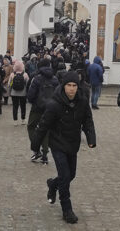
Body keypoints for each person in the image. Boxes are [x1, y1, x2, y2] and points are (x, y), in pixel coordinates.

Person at [32, 71, 96, 224]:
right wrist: (35, 144)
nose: (72, 89)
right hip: (58, 143)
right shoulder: (54, 104)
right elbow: (43, 125)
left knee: (71, 175)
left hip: (73, 143)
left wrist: (91, 138)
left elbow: (88, 120)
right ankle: (67, 209)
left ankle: (53, 184)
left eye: (74, 85)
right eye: (69, 85)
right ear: (63, 86)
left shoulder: (82, 101)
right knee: (65, 176)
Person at [27, 59, 58, 165]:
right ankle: (45, 154)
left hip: (37, 108)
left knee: (31, 127)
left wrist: (33, 102)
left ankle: (36, 149)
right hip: (50, 108)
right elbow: (58, 93)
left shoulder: (37, 78)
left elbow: (31, 95)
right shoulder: (54, 79)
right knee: (46, 129)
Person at [7, 59, 29, 125]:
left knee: (15, 107)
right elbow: (28, 84)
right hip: (23, 93)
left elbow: (9, 84)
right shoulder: (25, 74)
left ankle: (15, 121)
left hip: (14, 93)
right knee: (23, 107)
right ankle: (23, 119)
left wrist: (10, 92)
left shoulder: (12, 74)